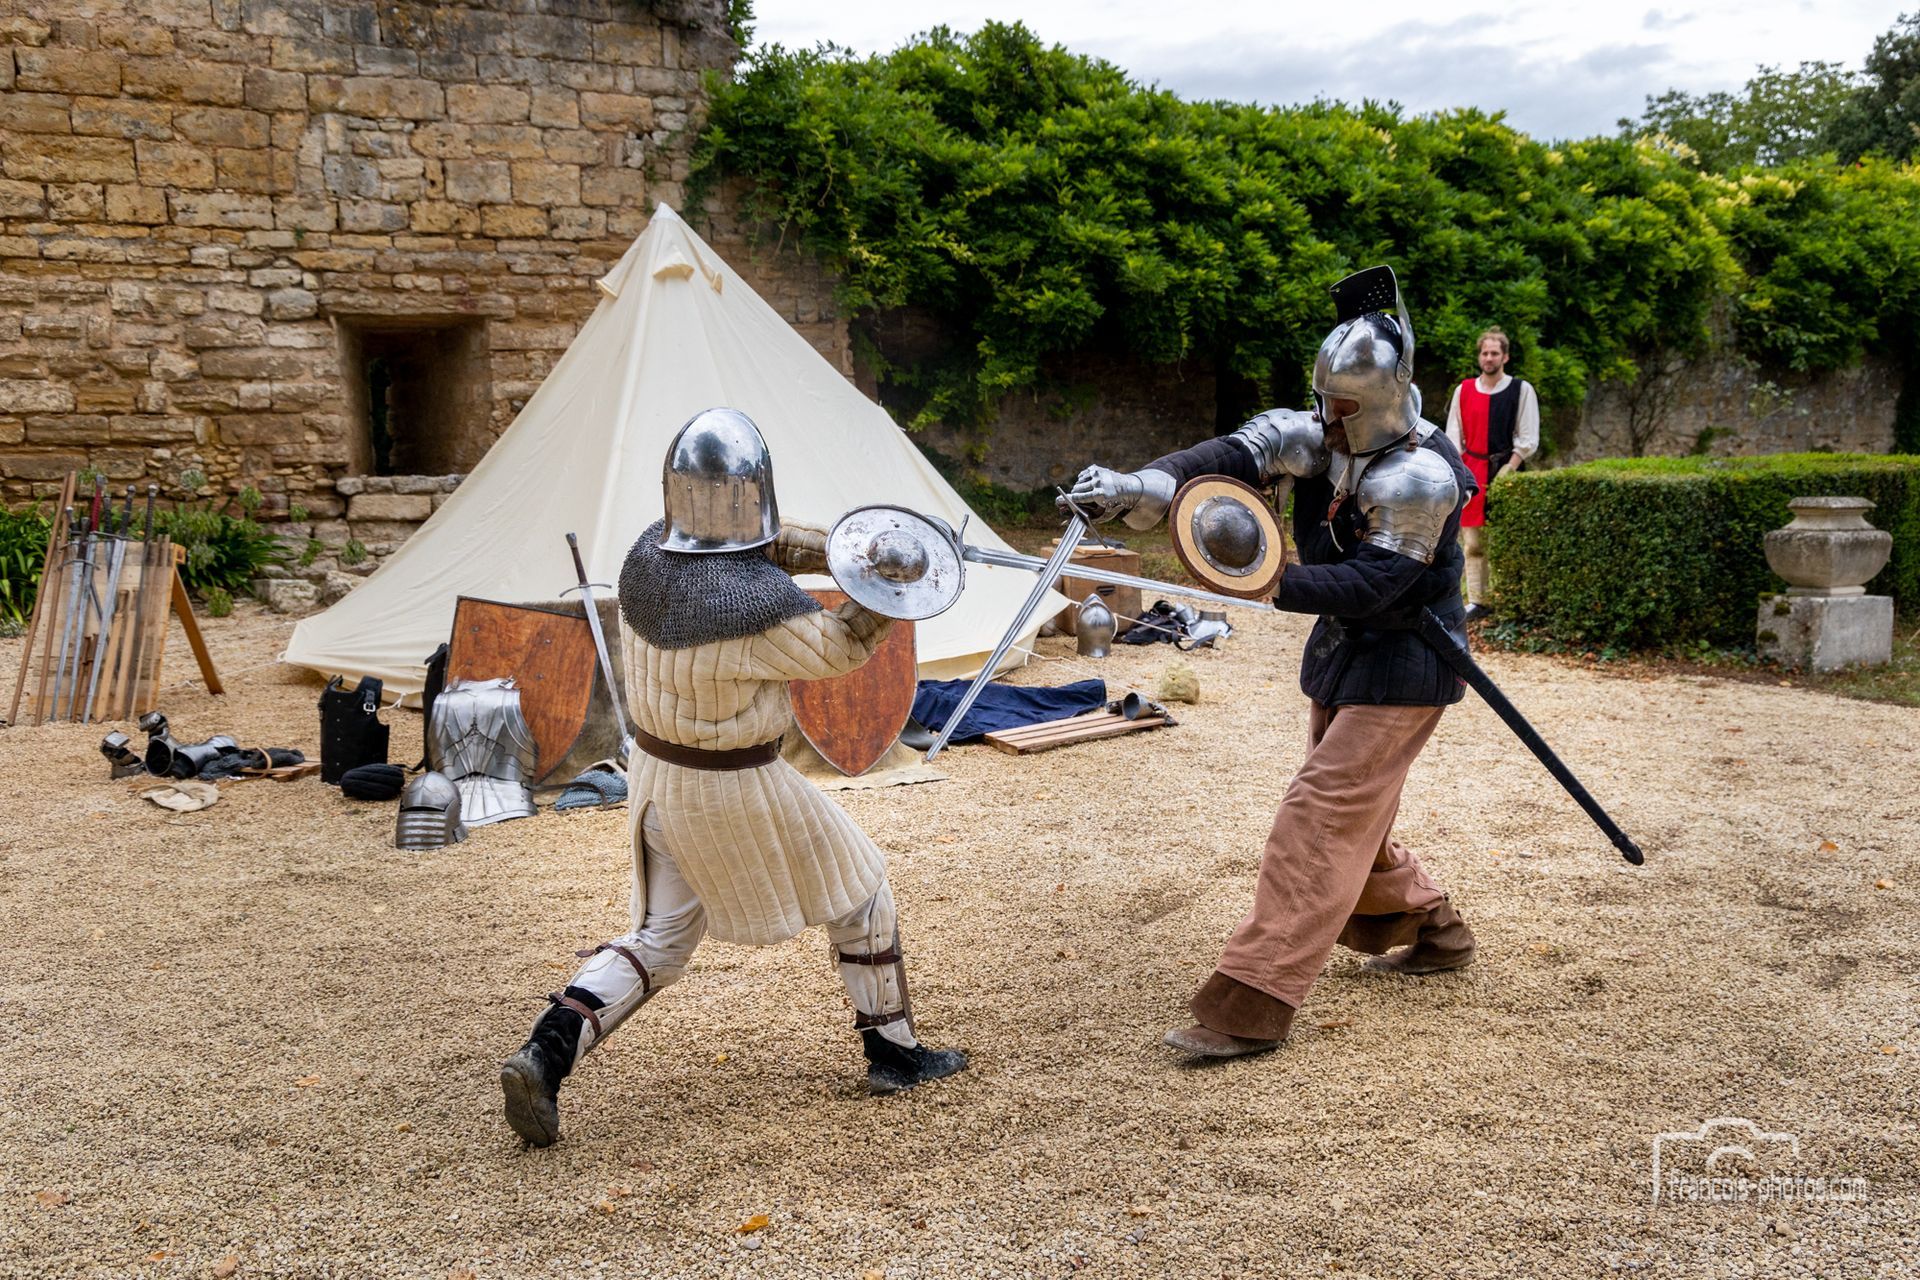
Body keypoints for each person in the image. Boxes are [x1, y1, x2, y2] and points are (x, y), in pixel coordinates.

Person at [499, 408, 966, 1147]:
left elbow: (761, 542)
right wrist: (895, 575)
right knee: (865, 891)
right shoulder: (756, 613)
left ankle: (546, 1052)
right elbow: (843, 647)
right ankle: (896, 1053)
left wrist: (862, 546)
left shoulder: (644, 557)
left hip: (657, 779)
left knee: (657, 939)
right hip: (735, 785)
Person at [1065, 266, 1479, 1059]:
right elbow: (1222, 459)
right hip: (1346, 655)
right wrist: (1135, 485)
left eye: (1342, 406)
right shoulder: (1316, 433)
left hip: (1406, 662)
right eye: (1322, 401)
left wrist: (1267, 579)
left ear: (1384, 399)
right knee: (1356, 815)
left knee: (1320, 812)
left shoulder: (1422, 475)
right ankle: (1436, 927)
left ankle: (1250, 999)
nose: (1326, 419)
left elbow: (1377, 581)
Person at [1443, 327, 1539, 620]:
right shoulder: (1464, 390)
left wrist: (1510, 469)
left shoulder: (1520, 390)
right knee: (1472, 542)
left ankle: (1508, 597)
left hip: (1506, 470)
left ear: (1505, 357)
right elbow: (1453, 436)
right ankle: (1478, 600)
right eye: (1484, 352)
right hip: (1472, 471)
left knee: (1506, 539)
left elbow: (1528, 436)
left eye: (1494, 353)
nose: (1488, 357)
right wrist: (1460, 472)